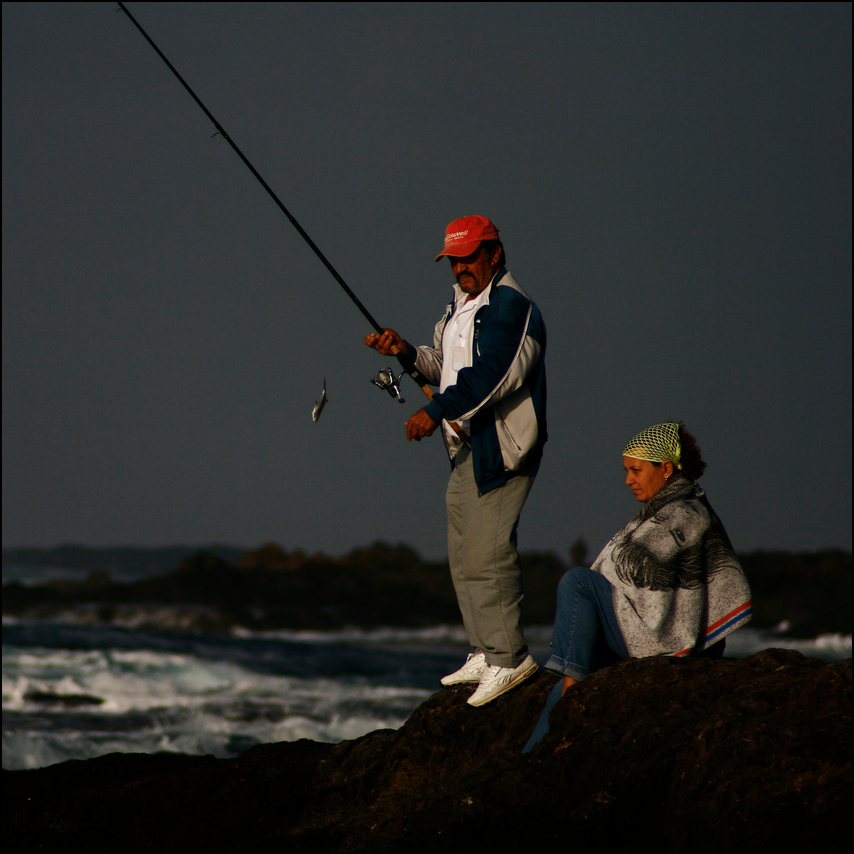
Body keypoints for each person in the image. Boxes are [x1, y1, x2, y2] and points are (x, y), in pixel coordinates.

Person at [365, 215, 547, 706]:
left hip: (503, 448)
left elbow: (492, 377)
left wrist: (435, 410)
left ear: (495, 253)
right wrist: (404, 350)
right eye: (453, 260)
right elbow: (449, 372)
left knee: (489, 553)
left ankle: (511, 659)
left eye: (469, 257)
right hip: (465, 446)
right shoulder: (461, 305)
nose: (461, 268)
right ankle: (486, 651)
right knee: (464, 554)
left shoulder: (513, 307)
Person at [523, 422, 752, 751]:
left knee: (577, 582)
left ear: (666, 468)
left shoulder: (683, 513)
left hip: (662, 637)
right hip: (668, 634)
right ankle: (534, 753)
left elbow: (665, 588)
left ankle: (570, 691)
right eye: (626, 470)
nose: (628, 479)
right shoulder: (680, 506)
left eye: (635, 470)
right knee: (562, 680)